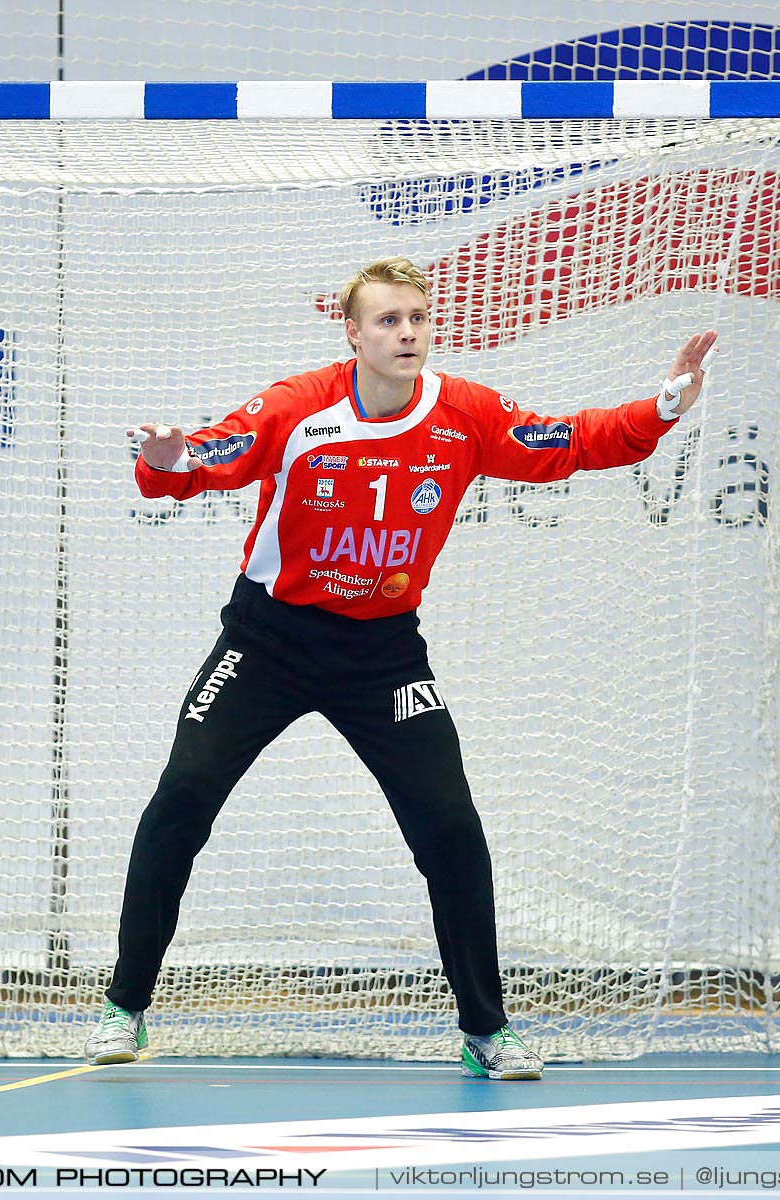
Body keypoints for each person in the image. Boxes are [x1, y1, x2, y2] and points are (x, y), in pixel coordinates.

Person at [84, 255, 716, 1078]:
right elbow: (210, 455)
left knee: (451, 829)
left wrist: (661, 407)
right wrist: (167, 461)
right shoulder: (299, 406)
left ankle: (487, 1029)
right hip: (267, 641)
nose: (407, 332)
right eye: (387, 320)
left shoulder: (464, 412)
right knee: (182, 799)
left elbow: (571, 442)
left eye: (417, 317)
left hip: (382, 656)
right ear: (352, 332)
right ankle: (124, 1007)